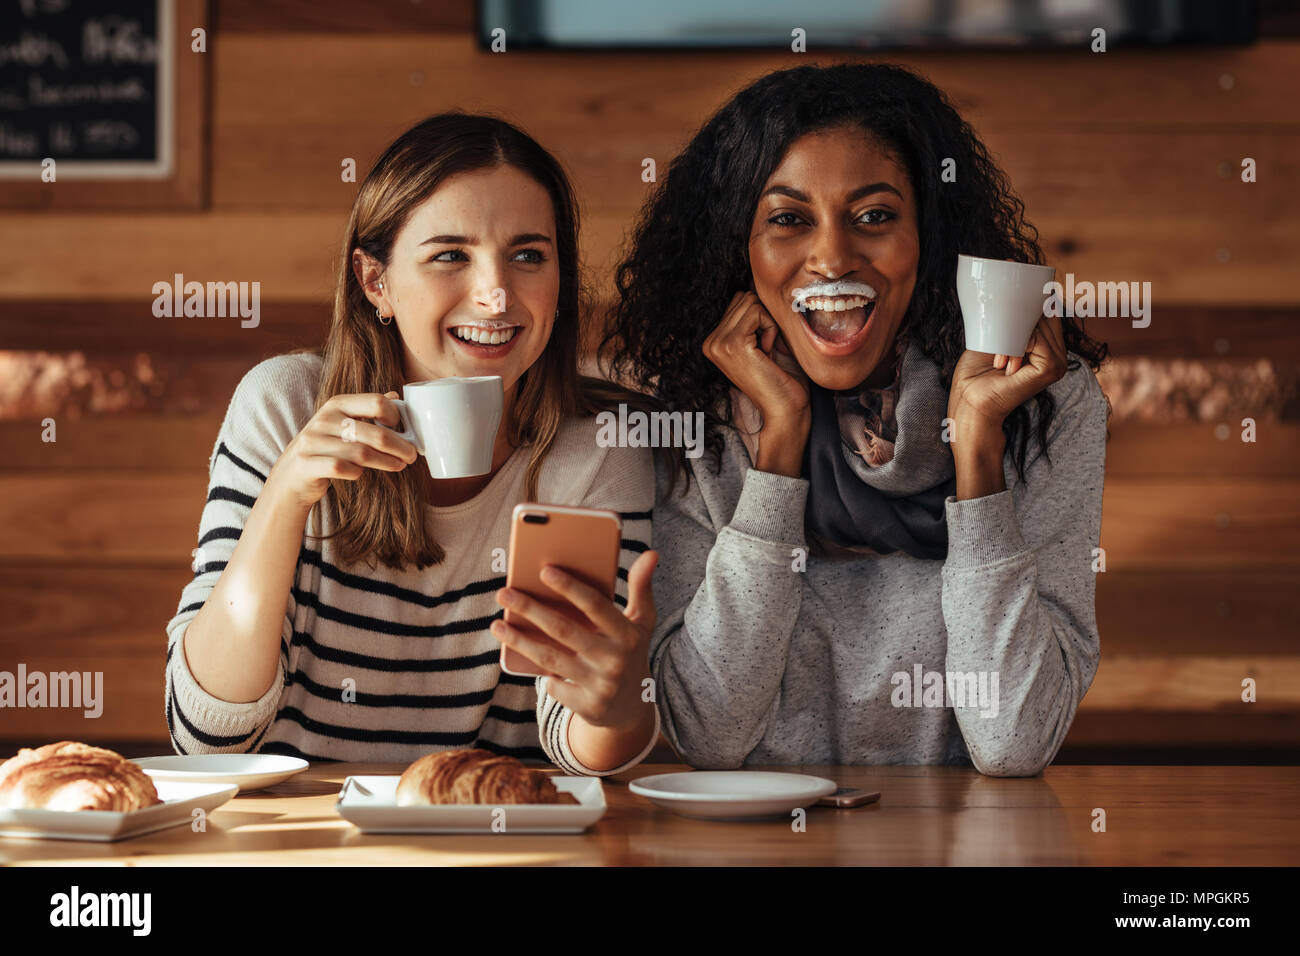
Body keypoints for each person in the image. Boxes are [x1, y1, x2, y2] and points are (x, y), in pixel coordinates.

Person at [604, 64, 1112, 777]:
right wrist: (778, 448)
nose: (833, 258)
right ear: (737, 246)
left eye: (874, 216)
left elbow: (1014, 740)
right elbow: (711, 734)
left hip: (967, 831)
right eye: (789, 219)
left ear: (929, 237)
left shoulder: (1044, 404)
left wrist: (976, 450)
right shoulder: (688, 411)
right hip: (763, 832)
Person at [166, 113, 660, 774]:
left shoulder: (596, 449)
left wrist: (616, 707)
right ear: (376, 282)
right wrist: (286, 497)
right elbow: (207, 734)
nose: (495, 295)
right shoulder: (285, 406)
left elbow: (578, 744)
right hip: (306, 827)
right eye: (450, 255)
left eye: (528, 255)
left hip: (494, 822)